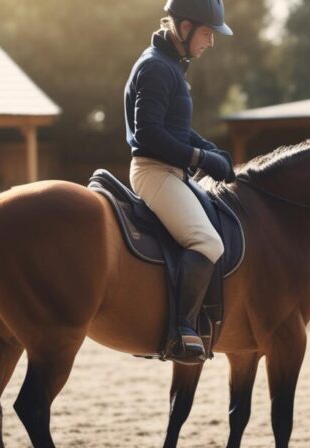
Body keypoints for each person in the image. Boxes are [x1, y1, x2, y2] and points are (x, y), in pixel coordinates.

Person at [124, 0, 236, 365]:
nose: (211, 42)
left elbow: (176, 128)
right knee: (206, 242)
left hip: (171, 170)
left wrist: (206, 147)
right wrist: (201, 159)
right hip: (154, 171)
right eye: (207, 33)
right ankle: (182, 330)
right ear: (184, 28)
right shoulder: (157, 67)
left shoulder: (170, 65)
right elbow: (150, 134)